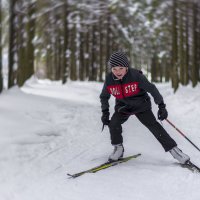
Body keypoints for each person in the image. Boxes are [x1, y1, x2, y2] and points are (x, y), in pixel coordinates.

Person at [100, 51, 190, 164]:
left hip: (141, 105)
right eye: (114, 69)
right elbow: (104, 96)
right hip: (123, 107)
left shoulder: (136, 76)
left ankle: (175, 151)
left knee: (154, 126)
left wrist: (161, 106)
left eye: (120, 68)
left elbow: (152, 89)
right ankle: (118, 148)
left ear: (126, 67)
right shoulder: (109, 80)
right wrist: (105, 112)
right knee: (113, 124)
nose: (117, 72)